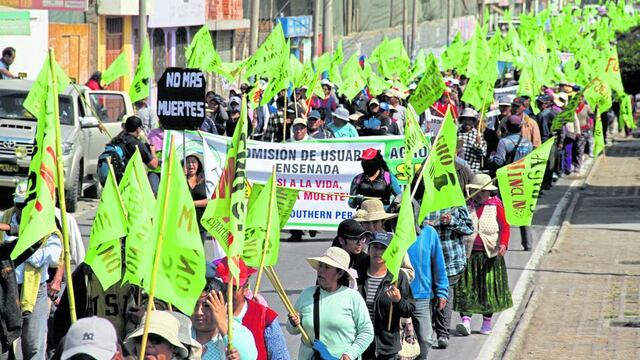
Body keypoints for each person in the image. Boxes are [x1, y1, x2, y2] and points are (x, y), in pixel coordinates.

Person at [3, 185, 62, 360]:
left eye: (24, 205)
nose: (20, 210)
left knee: (33, 347)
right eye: (17, 205)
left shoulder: (44, 223)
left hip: (34, 292)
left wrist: (27, 252)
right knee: (4, 349)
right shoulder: (5, 218)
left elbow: (54, 255)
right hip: (6, 291)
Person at [287, 247, 374, 360]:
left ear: (340, 273)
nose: (321, 270)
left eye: (327, 267)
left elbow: (367, 332)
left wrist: (350, 354)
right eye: (320, 265)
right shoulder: (307, 294)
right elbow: (291, 329)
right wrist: (293, 324)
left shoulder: (352, 298)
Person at [455, 174, 512, 336]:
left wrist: (503, 244)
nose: (480, 195)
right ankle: (465, 320)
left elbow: (505, 227)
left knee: (488, 289)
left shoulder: (496, 205)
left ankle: (487, 322)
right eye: (477, 191)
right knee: (467, 288)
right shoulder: (464, 206)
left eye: (484, 191)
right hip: (468, 255)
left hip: (490, 255)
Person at [213, 258, 288, 360]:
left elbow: (281, 357)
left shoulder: (265, 317)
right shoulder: (206, 314)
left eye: (234, 288)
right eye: (223, 287)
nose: (227, 293)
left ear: (246, 288)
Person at [356, 232, 415, 360]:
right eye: (375, 247)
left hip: (386, 347)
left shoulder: (397, 277)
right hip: (360, 345)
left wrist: (398, 300)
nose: (378, 252)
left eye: (384, 248)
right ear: (369, 250)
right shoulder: (357, 274)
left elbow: (409, 310)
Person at [422, 206, 474, 348]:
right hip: (428, 261)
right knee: (429, 298)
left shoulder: (456, 205)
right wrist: (422, 227)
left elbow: (469, 229)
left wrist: (452, 221)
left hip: (451, 262)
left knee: (444, 294)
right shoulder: (423, 204)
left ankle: (443, 333)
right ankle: (428, 330)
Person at [406, 225, 448, 359]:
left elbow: (439, 264)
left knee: (424, 338)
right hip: (396, 295)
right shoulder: (392, 232)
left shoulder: (429, 233)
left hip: (421, 296)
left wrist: (442, 291)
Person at [191, 279, 257, 360]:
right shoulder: (180, 332)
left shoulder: (241, 334)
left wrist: (223, 325)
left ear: (224, 306)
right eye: (195, 304)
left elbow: (247, 356)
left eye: (207, 305)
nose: (199, 312)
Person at [184, 152, 209, 242]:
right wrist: (181, 176)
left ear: (198, 165)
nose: (191, 164)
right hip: (183, 223)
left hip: (200, 223)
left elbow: (210, 201)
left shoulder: (205, 181)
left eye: (193, 162)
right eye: (188, 162)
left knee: (199, 253)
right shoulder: (180, 179)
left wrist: (191, 203)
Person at [457, 108, 487, 173]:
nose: (467, 122)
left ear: (473, 121)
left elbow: (483, 154)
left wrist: (478, 145)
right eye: (465, 119)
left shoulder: (478, 134)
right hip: (458, 170)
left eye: (470, 119)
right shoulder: (456, 133)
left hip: (472, 170)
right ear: (462, 120)